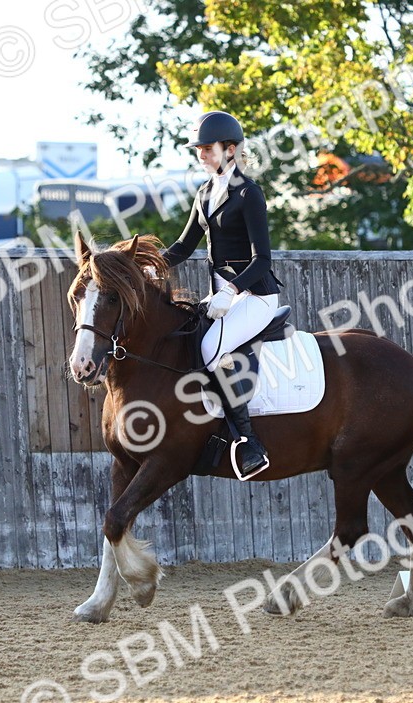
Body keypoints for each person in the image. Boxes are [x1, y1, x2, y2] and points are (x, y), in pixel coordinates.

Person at [161, 111, 281, 481]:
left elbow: (263, 260)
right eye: (198, 149)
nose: (201, 154)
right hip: (221, 298)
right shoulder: (204, 193)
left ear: (230, 149)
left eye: (207, 148)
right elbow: (183, 247)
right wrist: (147, 266)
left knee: (210, 348)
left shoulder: (248, 193)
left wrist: (231, 289)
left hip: (255, 296)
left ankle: (248, 442)